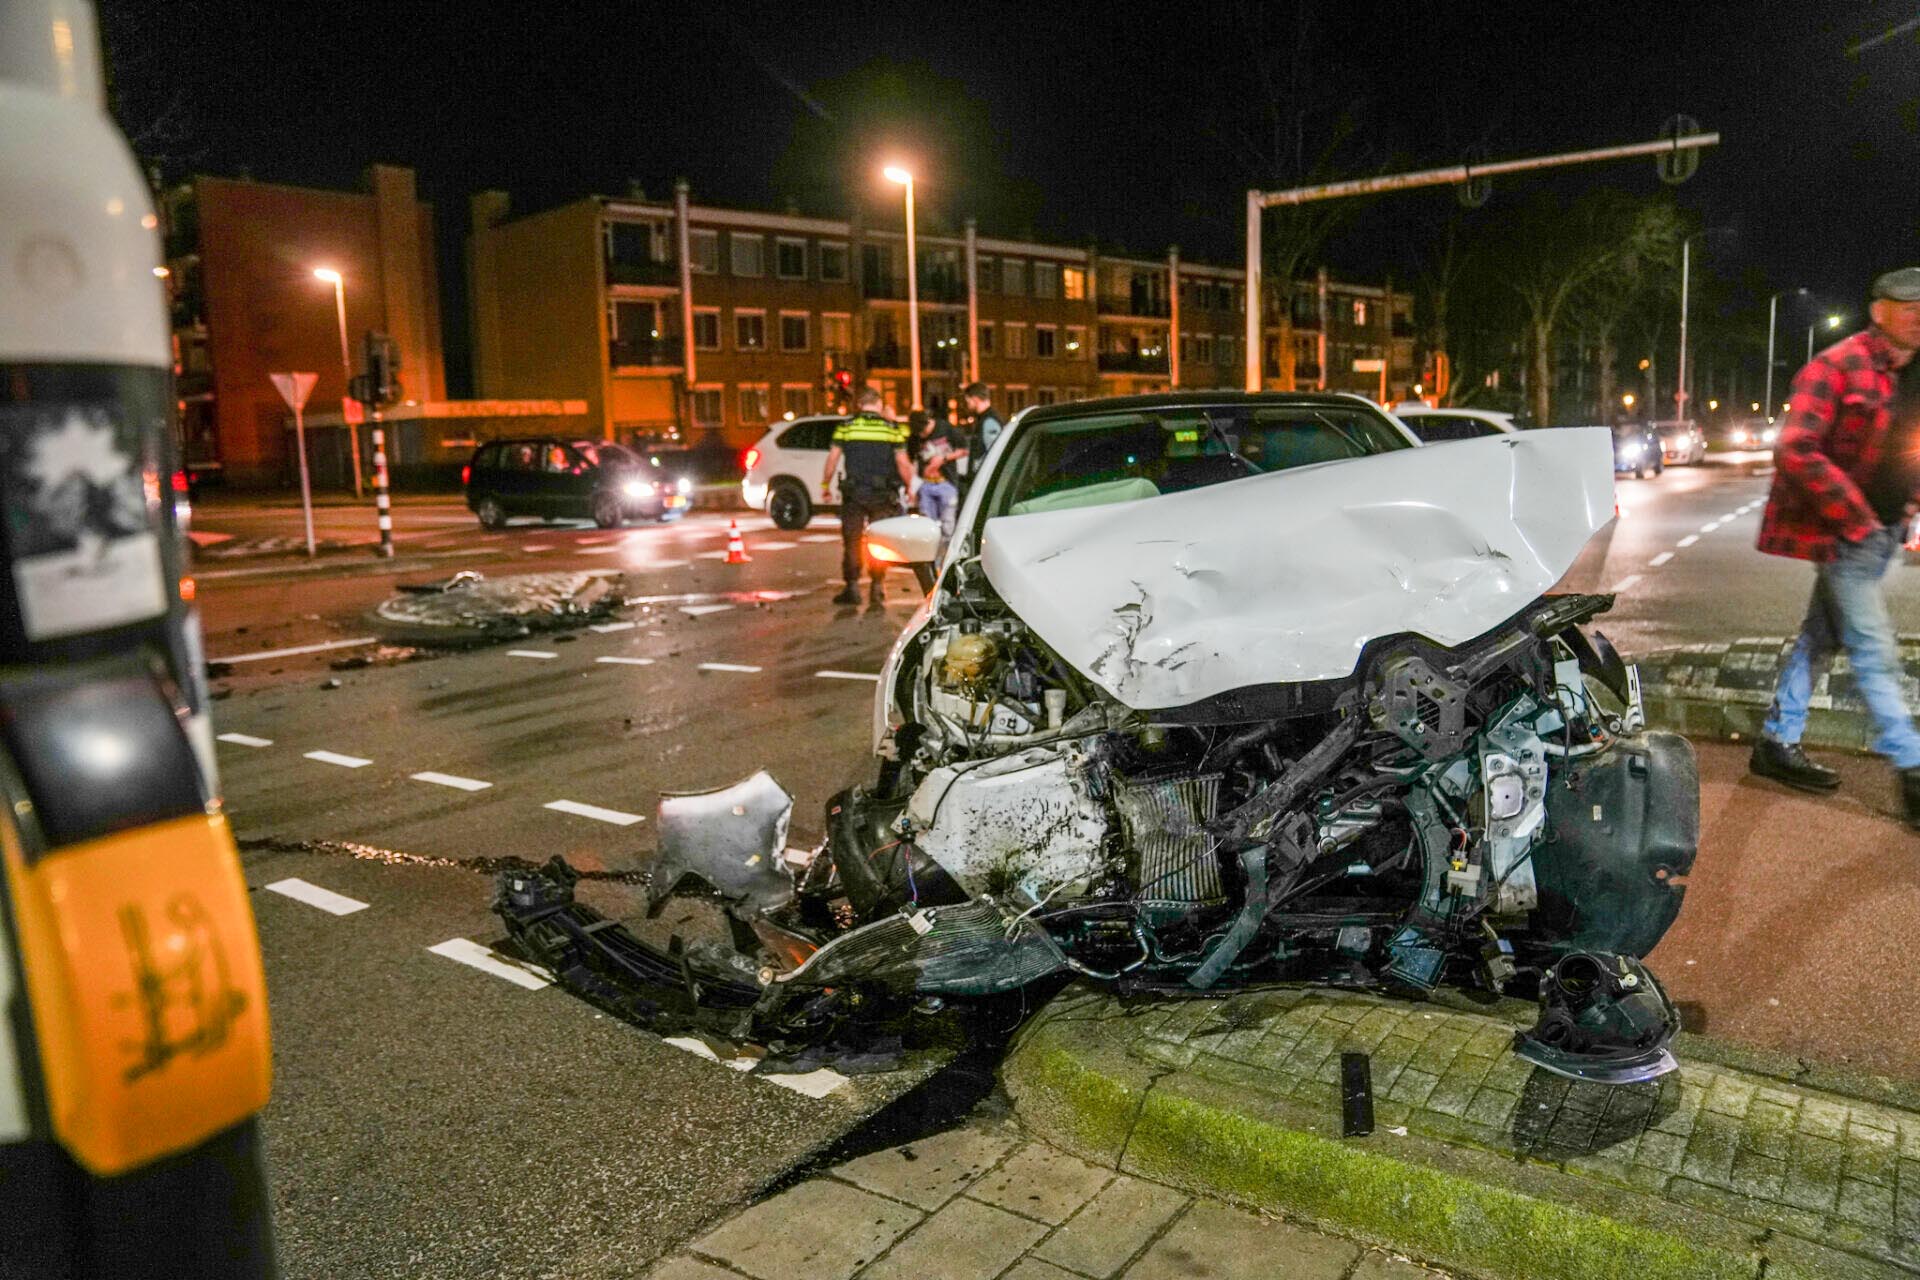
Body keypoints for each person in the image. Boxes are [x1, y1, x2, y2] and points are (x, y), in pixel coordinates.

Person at [1751, 267, 1920, 826]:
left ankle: (1776, 742)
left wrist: (1910, 504)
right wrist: (1855, 518)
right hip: (1849, 535)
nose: (1918, 318)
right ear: (1879, 311)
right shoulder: (1837, 365)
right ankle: (1912, 768)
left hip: (1884, 534)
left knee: (1819, 639)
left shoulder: (1912, 371)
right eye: (1908, 307)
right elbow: (1795, 447)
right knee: (1874, 648)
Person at [822, 386, 914, 607]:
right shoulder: (892, 428)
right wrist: (911, 487)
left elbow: (832, 459)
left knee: (852, 540)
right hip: (883, 494)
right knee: (879, 540)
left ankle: (852, 588)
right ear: (879, 404)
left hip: (854, 494)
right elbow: (902, 462)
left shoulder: (846, 427)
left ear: (859, 405)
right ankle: (877, 587)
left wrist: (825, 485)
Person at [916, 394, 966, 536]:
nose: (922, 436)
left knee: (948, 524)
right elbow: (910, 459)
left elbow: (964, 450)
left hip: (946, 482)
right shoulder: (916, 436)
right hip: (926, 484)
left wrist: (943, 459)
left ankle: (947, 548)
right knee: (927, 526)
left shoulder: (945, 428)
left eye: (923, 432)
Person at [962, 381, 1006, 463]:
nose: (967, 405)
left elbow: (994, 454)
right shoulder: (985, 419)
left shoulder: (989, 421)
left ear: (975, 399)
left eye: (968, 401)